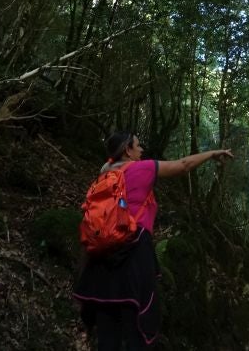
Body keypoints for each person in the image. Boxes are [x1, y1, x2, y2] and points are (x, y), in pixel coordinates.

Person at [73, 131, 233, 350]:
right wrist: (213, 153)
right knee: (136, 328)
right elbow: (184, 164)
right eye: (138, 146)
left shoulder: (102, 177)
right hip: (133, 254)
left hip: (99, 261)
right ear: (127, 150)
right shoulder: (142, 168)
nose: (142, 150)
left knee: (107, 334)